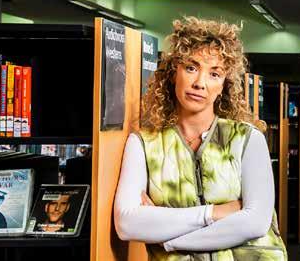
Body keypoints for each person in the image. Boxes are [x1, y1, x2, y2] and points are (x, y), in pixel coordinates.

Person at [114, 17, 287, 260]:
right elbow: (127, 224)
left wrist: (168, 240)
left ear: (224, 85)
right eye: (191, 68)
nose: (199, 83)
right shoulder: (144, 144)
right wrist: (214, 213)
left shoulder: (247, 139)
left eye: (214, 74)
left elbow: (256, 223)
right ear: (174, 73)